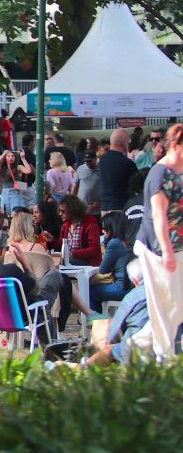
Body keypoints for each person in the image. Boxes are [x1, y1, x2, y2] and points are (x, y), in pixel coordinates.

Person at [134, 123, 183, 358]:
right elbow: (158, 214)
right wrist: (166, 251)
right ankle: (165, 359)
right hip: (158, 249)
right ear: (174, 145)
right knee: (167, 307)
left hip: (177, 248)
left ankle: (130, 349)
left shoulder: (180, 170)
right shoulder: (160, 173)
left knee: (174, 307)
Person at [0, 230, 63, 340]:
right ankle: (50, 345)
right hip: (20, 317)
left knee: (41, 306)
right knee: (53, 277)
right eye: (6, 249)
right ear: (1, 251)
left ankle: (50, 345)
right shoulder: (11, 270)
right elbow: (36, 291)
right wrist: (24, 263)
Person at [89, 212, 131, 308]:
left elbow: (103, 269)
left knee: (89, 291)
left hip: (122, 287)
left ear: (111, 228)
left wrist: (104, 246)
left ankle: (94, 320)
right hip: (132, 286)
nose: (102, 231)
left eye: (104, 228)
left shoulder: (114, 243)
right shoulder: (127, 239)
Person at [100, 128, 139, 216]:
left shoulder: (102, 159)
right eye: (128, 141)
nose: (129, 144)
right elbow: (138, 182)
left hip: (105, 207)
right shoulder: (127, 163)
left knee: (106, 230)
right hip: (120, 207)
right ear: (122, 142)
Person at [57, 194, 101, 267]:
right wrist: (51, 241)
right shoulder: (65, 226)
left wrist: (72, 254)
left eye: (63, 211)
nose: (60, 214)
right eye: (59, 211)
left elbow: (94, 250)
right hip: (70, 262)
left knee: (63, 262)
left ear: (72, 210)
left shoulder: (91, 225)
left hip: (88, 263)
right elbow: (60, 247)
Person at [0, 150, 32, 214]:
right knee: (5, 213)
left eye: (12, 156)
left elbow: (28, 171)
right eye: (8, 156)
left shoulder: (18, 167)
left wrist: (23, 158)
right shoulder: (2, 168)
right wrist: (3, 155)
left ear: (15, 158)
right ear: (5, 158)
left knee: (16, 213)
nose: (11, 157)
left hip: (15, 193)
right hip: (5, 193)